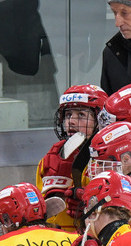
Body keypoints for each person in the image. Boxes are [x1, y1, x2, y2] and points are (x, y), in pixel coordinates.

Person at [36, 84, 108, 231]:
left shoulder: (110, 159)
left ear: (100, 120)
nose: (71, 121)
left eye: (81, 115)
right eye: (68, 115)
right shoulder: (49, 159)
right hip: (56, 238)